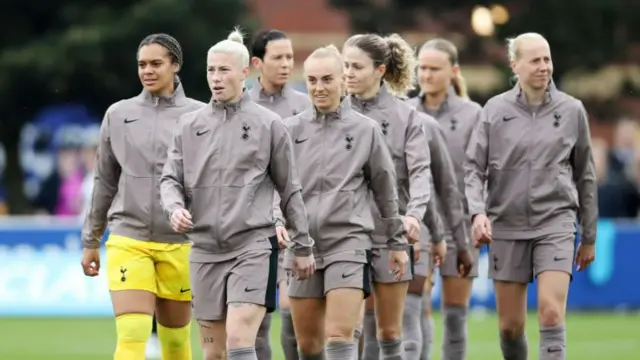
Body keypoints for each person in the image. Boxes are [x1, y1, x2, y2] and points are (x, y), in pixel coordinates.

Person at [159, 28, 315, 360]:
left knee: (240, 340)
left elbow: (289, 190)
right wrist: (174, 208)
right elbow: (170, 179)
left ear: (245, 72)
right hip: (203, 250)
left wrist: (302, 246)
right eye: (211, 70)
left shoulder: (270, 125)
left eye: (224, 70)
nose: (216, 77)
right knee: (213, 353)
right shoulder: (189, 125)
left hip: (253, 247)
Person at [464, 32, 598, 360]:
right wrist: (477, 213)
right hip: (506, 226)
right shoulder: (494, 110)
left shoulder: (572, 111)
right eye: (535, 60)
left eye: (547, 59)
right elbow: (473, 168)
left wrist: (589, 235)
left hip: (556, 223)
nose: (543, 67)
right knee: (510, 327)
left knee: (551, 314)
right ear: (515, 65)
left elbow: (586, 175)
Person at [80, 34, 205, 360]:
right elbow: (104, 180)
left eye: (156, 63)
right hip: (128, 239)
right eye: (142, 64)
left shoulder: (201, 117)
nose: (147, 70)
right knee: (132, 336)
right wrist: (90, 239)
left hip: (181, 244)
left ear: (175, 65)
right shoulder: (118, 115)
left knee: (176, 344)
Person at [282, 44, 409, 360]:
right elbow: (275, 188)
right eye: (312, 80)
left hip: (349, 244)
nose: (319, 87)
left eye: (327, 79)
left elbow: (385, 191)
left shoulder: (366, 130)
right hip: (302, 247)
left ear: (342, 80)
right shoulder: (288, 130)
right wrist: (276, 220)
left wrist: (396, 243)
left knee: (340, 338)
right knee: (309, 347)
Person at [341, 33, 445, 360]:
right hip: (342, 237)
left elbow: (420, 174)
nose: (348, 73)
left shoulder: (407, 117)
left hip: (389, 237)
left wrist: (413, 216)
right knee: (346, 330)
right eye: (345, 66)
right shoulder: (333, 112)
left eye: (357, 66)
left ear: (380, 70)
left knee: (388, 332)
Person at [407, 38, 481, 360]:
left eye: (434, 68)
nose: (426, 74)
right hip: (420, 227)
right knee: (415, 308)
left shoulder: (473, 115)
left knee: (454, 315)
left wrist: (479, 216)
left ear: (453, 72)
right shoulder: (405, 111)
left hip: (459, 225)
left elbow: (480, 172)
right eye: (422, 67)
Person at [249, 28, 311, 360]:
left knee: (293, 319)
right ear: (258, 62)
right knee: (257, 321)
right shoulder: (240, 106)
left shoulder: (306, 104)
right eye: (278, 57)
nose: (287, 64)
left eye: (290, 57)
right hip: (252, 226)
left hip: (296, 222)